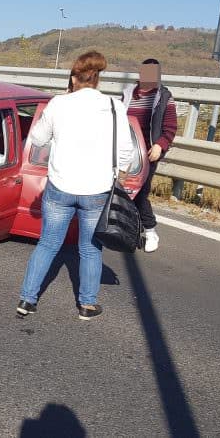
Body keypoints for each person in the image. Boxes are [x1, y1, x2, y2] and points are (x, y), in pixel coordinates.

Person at [17, 51, 135, 321]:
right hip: (96, 189)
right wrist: (122, 173)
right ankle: (87, 305)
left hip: (60, 186)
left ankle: (27, 299)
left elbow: (37, 138)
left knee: (47, 244)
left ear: (73, 77)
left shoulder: (59, 104)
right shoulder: (115, 107)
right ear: (98, 78)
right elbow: (126, 150)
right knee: (90, 248)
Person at [121, 58, 177, 252]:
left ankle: (151, 231)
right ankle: (119, 226)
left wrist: (160, 146)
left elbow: (170, 128)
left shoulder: (164, 97)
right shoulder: (128, 93)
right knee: (120, 189)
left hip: (148, 154)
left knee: (140, 193)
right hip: (126, 151)